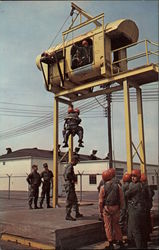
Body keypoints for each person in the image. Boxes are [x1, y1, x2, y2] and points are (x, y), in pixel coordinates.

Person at [99, 168, 124, 249]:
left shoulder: (103, 187)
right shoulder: (118, 186)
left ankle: (110, 243)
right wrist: (120, 208)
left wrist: (100, 211)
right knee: (117, 225)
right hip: (116, 208)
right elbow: (121, 198)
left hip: (107, 209)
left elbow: (101, 201)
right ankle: (120, 241)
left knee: (108, 226)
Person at [125, 169, 148, 249]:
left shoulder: (135, 186)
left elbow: (126, 194)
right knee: (143, 230)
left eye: (134, 176)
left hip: (135, 210)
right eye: (132, 176)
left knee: (136, 230)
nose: (132, 178)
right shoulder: (143, 185)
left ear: (138, 177)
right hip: (143, 209)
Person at [63, 155, 83, 221]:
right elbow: (68, 174)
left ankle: (77, 213)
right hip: (69, 185)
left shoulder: (67, 166)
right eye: (77, 161)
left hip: (69, 184)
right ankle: (67, 215)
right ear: (74, 160)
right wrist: (72, 179)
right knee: (69, 199)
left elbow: (64, 174)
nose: (77, 163)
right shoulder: (70, 166)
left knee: (74, 199)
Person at [140, 173, 155, 242]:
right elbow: (152, 194)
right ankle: (148, 236)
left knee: (144, 222)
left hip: (144, 207)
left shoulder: (143, 187)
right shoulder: (148, 187)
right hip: (148, 207)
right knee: (148, 221)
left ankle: (145, 237)